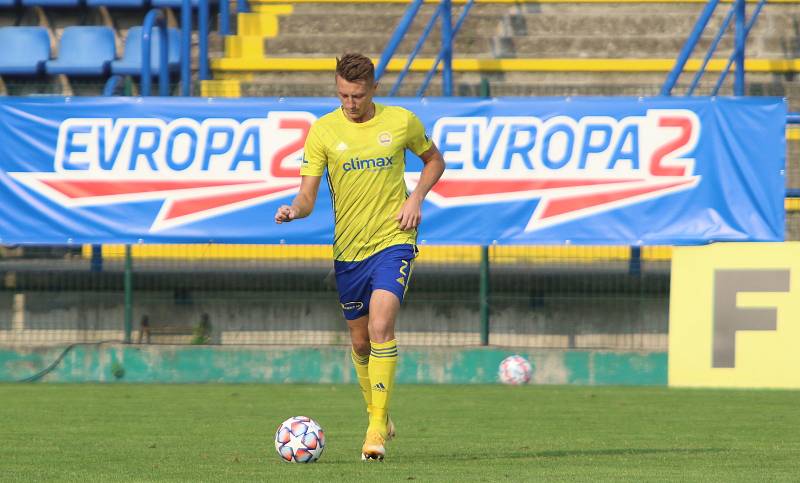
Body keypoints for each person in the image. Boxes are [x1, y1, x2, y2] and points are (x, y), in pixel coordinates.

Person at [274, 52, 445, 461]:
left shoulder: (401, 122)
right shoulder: (322, 132)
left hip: (394, 238)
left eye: (356, 96)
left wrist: (416, 197)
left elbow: (434, 160)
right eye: (342, 95)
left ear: (373, 90)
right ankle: (378, 412)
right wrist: (294, 210)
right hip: (349, 250)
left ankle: (374, 432)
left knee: (383, 324)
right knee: (360, 341)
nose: (349, 104)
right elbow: (308, 195)